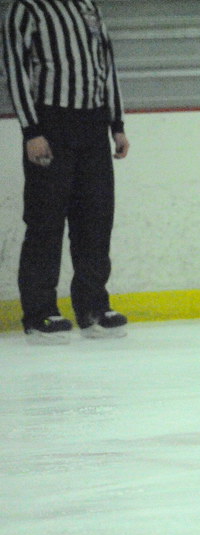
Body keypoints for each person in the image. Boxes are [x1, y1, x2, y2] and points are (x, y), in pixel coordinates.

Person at [3, 0, 130, 344]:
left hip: (94, 123)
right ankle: (39, 313)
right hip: (51, 122)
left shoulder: (88, 5)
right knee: (45, 221)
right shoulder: (26, 8)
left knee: (95, 218)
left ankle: (93, 308)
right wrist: (31, 130)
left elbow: (106, 65)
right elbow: (15, 69)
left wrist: (116, 124)